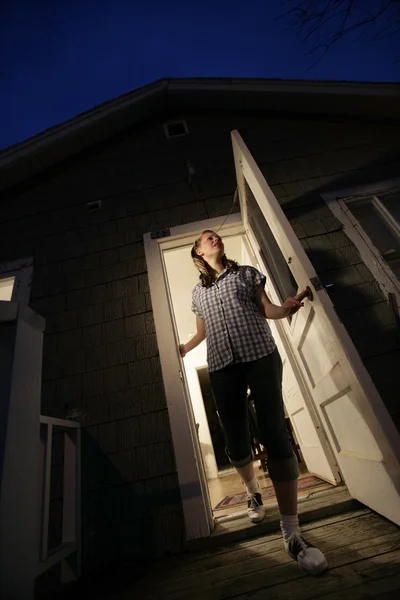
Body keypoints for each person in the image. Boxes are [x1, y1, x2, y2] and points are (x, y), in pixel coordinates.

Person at [179, 229, 328, 576]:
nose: (214, 238)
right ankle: (252, 492)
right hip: (221, 367)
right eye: (207, 238)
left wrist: (286, 307)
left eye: (216, 235)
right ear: (198, 252)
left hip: (260, 357)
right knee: (235, 440)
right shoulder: (197, 293)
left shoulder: (246, 273)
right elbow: (201, 332)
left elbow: (267, 309)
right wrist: (183, 349)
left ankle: (291, 533)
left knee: (275, 432)